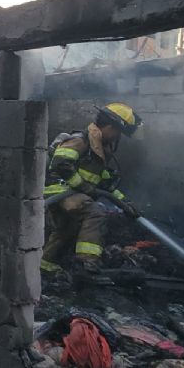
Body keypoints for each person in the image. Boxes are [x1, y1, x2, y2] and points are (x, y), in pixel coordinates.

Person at [40, 103, 142, 280]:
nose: (117, 137)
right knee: (95, 212)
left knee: (67, 229)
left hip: (73, 192)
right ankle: (86, 263)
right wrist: (83, 186)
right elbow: (60, 164)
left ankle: (44, 266)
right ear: (110, 127)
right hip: (59, 190)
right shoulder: (81, 140)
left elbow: (104, 184)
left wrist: (124, 202)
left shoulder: (99, 148)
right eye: (118, 132)